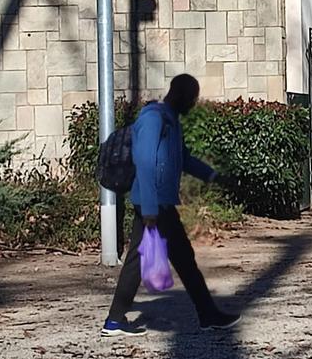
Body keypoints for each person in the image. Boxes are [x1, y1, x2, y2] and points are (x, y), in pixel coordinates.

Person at [102, 74, 240, 337]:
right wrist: (152, 209)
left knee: (140, 260)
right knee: (183, 260)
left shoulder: (170, 121)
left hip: (156, 205)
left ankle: (115, 320)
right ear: (180, 95)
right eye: (192, 99)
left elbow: (183, 159)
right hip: (154, 205)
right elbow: (145, 163)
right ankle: (208, 315)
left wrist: (212, 176)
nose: (192, 104)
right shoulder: (153, 119)